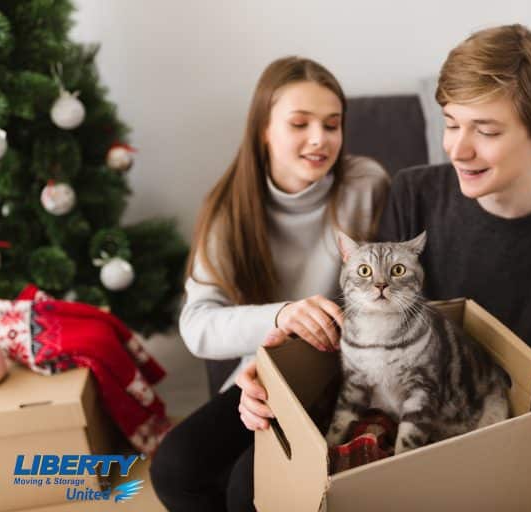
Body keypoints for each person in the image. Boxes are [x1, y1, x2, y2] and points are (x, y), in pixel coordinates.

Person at [239, 25, 531, 511]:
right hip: (418, 426)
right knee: (249, 484)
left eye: (486, 131)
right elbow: (363, 332)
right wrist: (271, 378)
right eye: (450, 123)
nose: (457, 149)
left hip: (518, 438)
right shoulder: (413, 193)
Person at [149, 56, 389, 512]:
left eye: (332, 125)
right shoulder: (228, 208)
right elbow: (198, 325)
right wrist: (281, 315)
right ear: (263, 128)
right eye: (300, 123)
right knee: (175, 467)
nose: (320, 139)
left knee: (250, 484)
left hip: (351, 375)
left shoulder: (366, 185)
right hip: (273, 374)